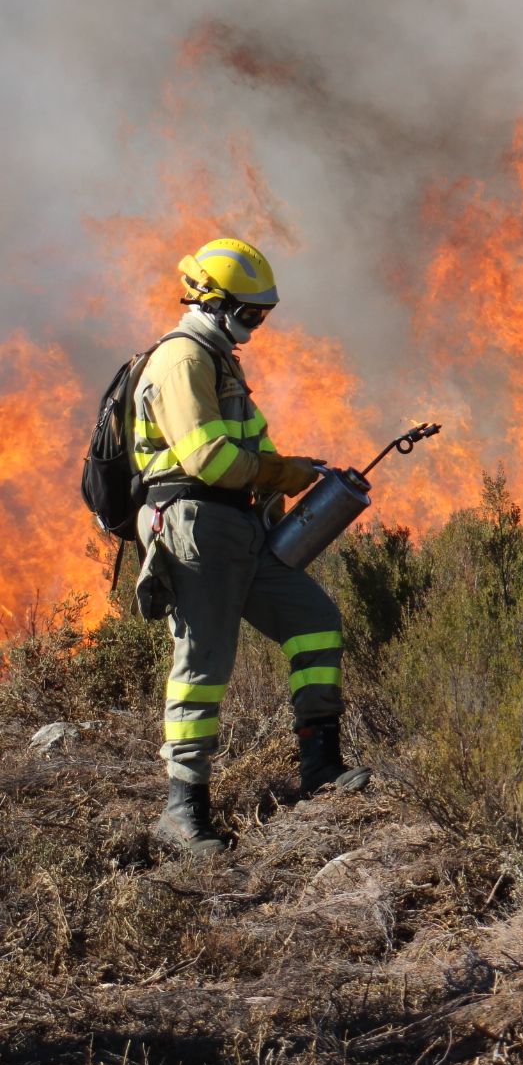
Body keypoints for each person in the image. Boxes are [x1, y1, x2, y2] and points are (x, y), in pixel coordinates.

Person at [133, 238, 370, 858]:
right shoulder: (183, 360)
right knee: (203, 665)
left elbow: (243, 456)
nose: (256, 326)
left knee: (315, 622)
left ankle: (320, 765)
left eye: (263, 315)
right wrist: (282, 474)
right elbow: (209, 459)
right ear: (212, 302)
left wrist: (285, 484)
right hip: (195, 527)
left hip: (240, 528)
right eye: (250, 313)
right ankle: (183, 809)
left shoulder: (221, 361)